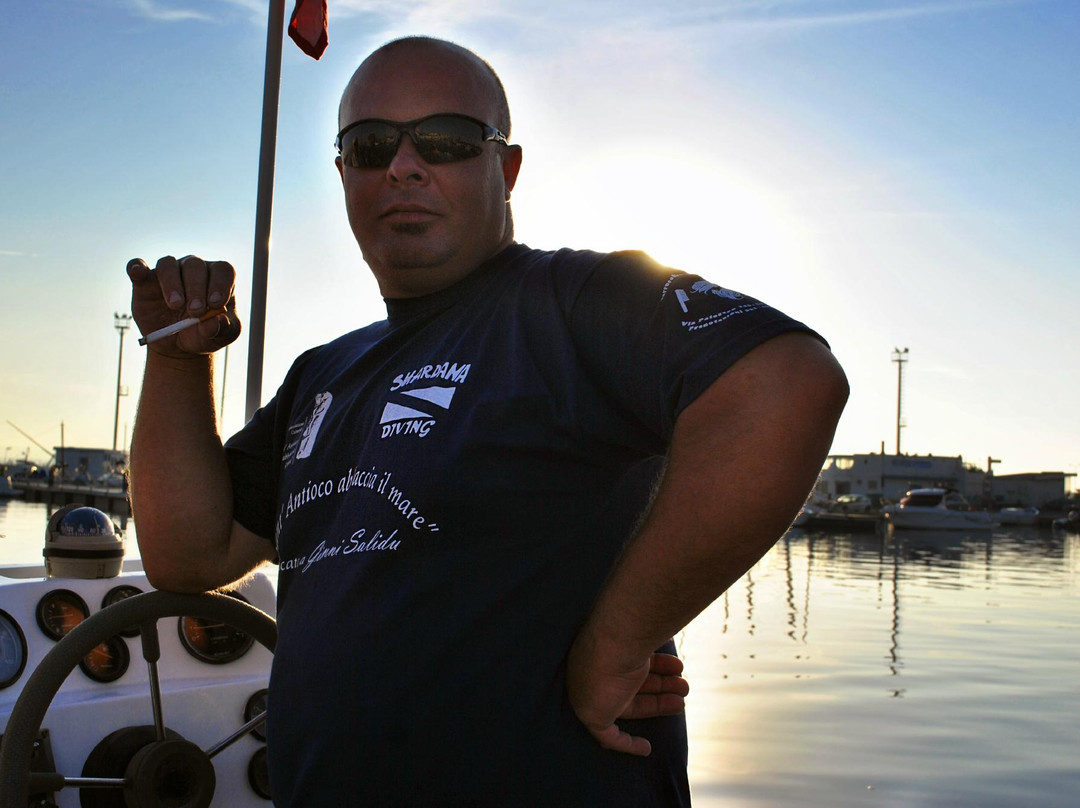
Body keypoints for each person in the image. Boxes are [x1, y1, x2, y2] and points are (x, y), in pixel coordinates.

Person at [127, 36, 848, 806]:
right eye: (371, 146)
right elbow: (189, 555)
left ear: (504, 169)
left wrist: (616, 643)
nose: (404, 166)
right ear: (344, 177)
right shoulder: (323, 374)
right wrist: (175, 357)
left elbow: (785, 384)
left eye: (444, 140)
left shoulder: (573, 302)